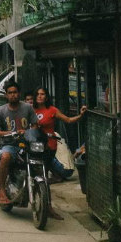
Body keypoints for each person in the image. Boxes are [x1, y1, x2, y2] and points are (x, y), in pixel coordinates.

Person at [32, 88, 86, 219]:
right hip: (34, 146)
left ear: (46, 97)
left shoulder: (52, 110)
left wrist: (80, 115)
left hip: (49, 147)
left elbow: (67, 120)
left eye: (42, 94)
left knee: (43, 176)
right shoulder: (30, 109)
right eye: (38, 94)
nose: (40, 96)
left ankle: (48, 207)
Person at [0, 82, 38, 206]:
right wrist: (8, 133)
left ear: (19, 93)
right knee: (5, 157)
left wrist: (27, 131)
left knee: (42, 159)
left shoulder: (27, 107)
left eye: (15, 92)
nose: (13, 95)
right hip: (9, 144)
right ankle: (1, 191)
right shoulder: (1, 110)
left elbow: (35, 125)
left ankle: (47, 203)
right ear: (6, 95)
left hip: (27, 144)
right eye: (10, 93)